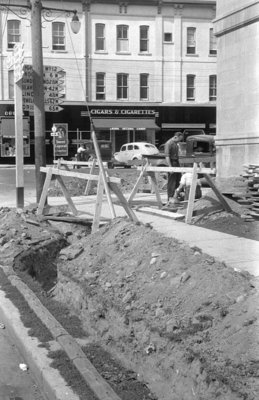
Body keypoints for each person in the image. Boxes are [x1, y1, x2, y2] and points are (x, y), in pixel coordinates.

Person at [164, 132, 184, 205]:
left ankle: (177, 196)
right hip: (172, 162)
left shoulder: (176, 144)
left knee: (179, 179)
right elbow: (167, 156)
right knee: (172, 181)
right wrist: (170, 167)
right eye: (179, 139)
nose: (179, 141)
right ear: (176, 137)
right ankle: (170, 197)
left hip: (176, 162)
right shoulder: (168, 143)